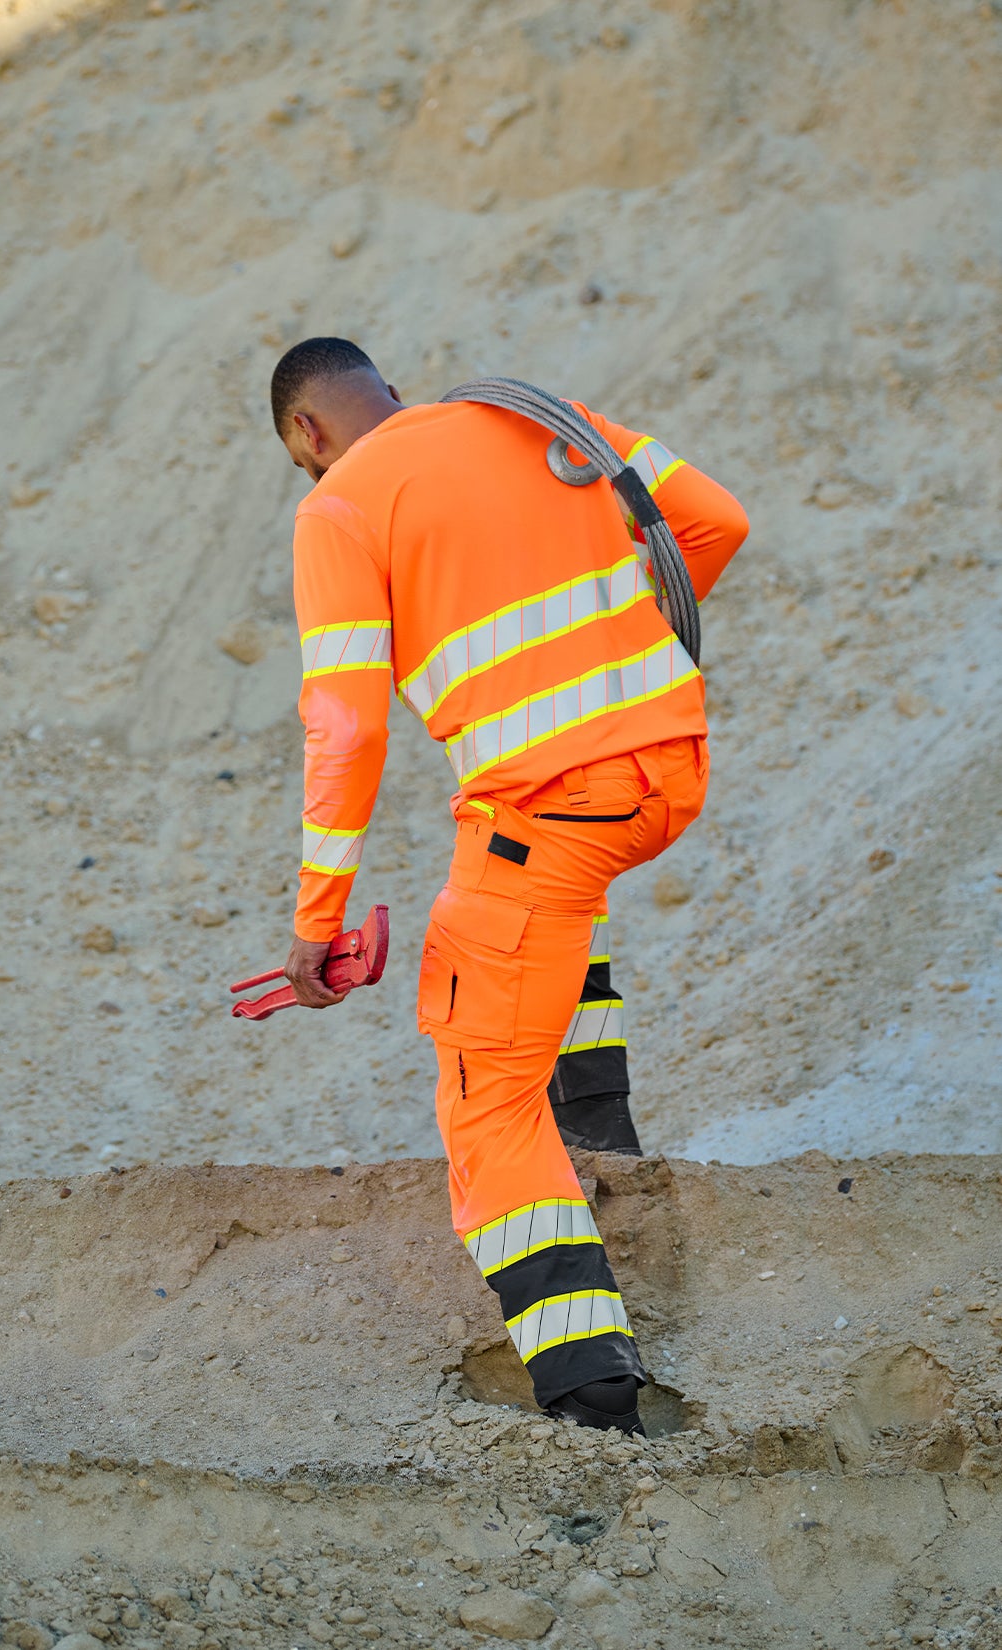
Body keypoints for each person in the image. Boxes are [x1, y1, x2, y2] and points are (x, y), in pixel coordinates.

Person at [270, 337, 748, 1434]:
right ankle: (604, 1148)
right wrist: (630, 670)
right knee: (538, 912)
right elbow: (718, 520)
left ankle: (592, 1395)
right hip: (667, 774)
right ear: (384, 388)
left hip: (553, 807)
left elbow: (345, 725)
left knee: (483, 1096)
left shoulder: (337, 507)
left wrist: (317, 919)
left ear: (308, 434)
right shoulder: (539, 419)